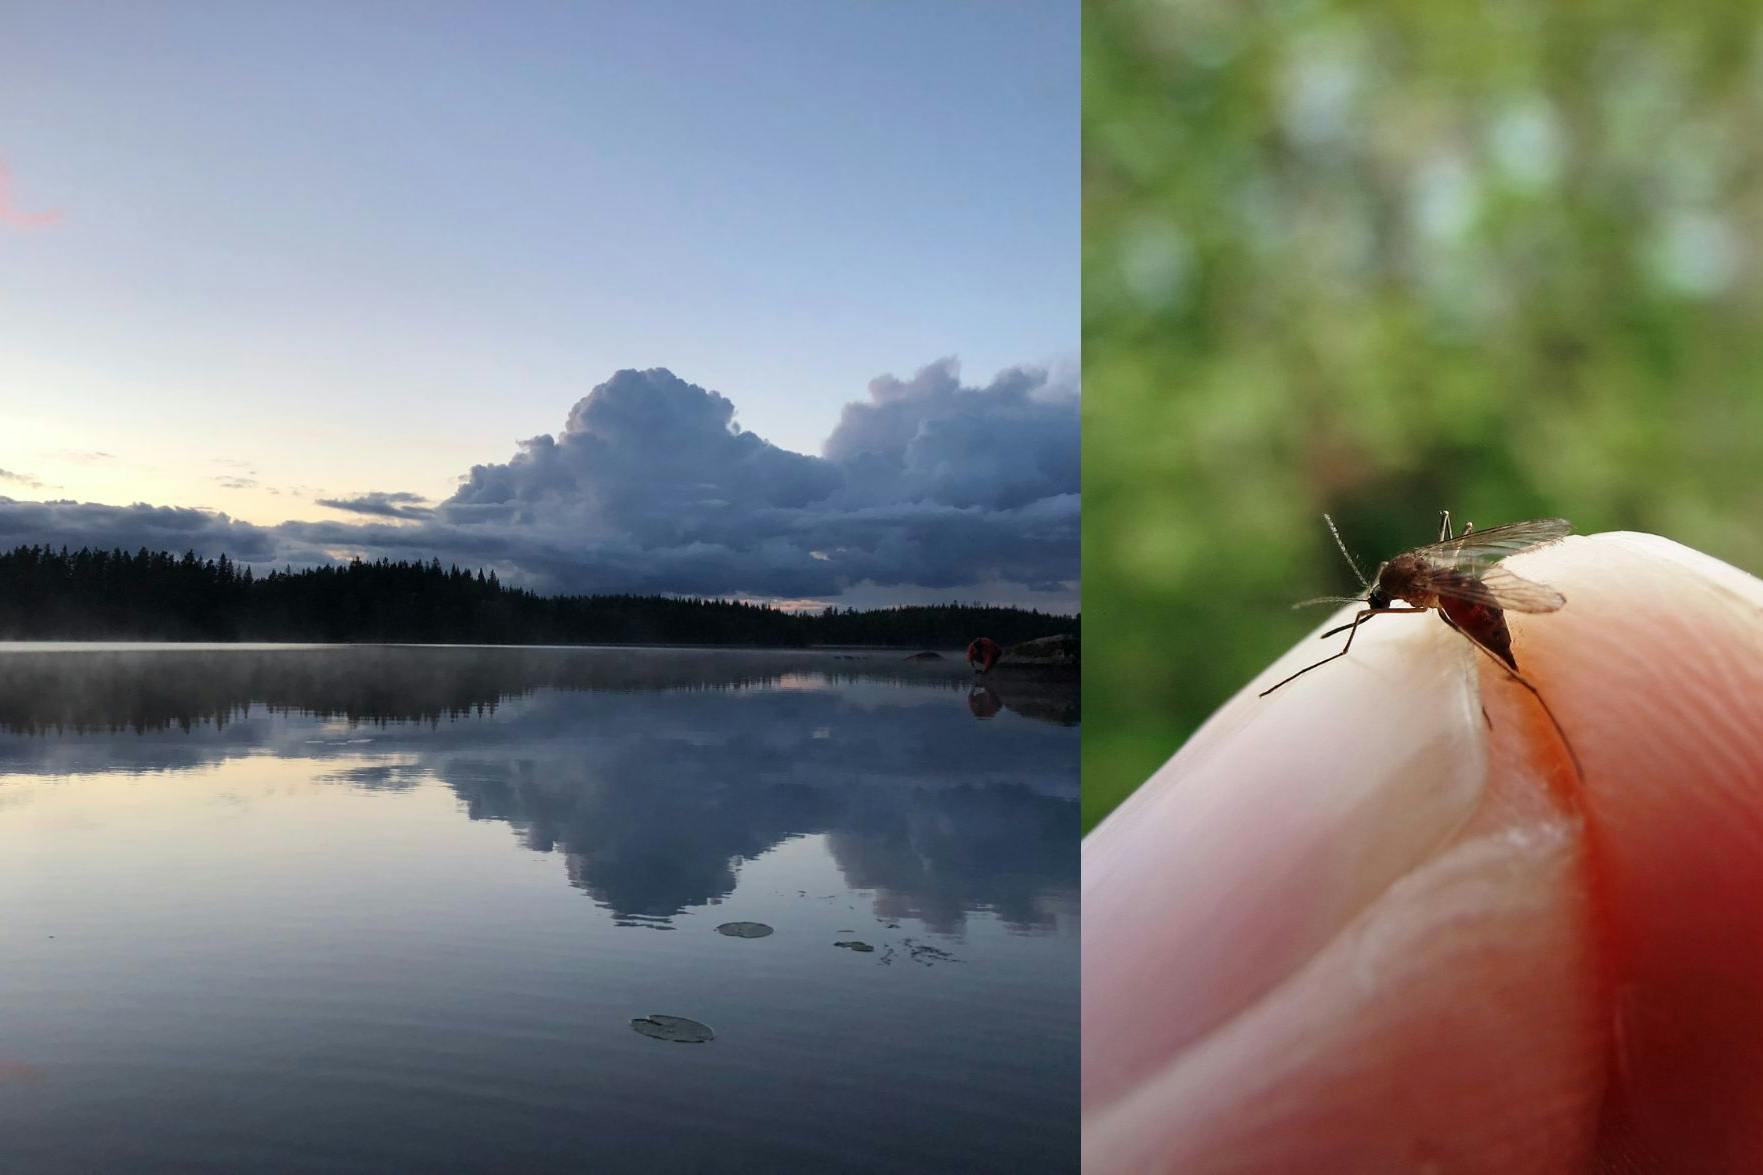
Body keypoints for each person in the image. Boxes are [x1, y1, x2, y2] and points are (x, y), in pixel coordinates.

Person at [1083, 532, 1763, 1172]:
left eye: (1378, 603)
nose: (1376, 609)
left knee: (1513, 679)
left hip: (1473, 604)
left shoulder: (1420, 588)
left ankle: (1547, 722)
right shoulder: (1408, 582)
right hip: (1464, 592)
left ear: (1394, 591)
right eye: (1380, 602)